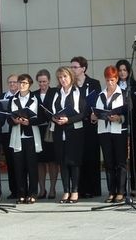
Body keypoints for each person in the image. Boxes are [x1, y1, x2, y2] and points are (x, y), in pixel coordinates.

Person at [91, 66, 128, 203]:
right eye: (107, 80)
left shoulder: (124, 93)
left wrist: (119, 118)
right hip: (104, 131)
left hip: (119, 131)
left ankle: (121, 191)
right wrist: (94, 118)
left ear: (117, 79)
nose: (110, 83)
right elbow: (96, 113)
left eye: (112, 80)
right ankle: (111, 191)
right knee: (108, 162)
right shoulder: (100, 95)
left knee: (120, 162)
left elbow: (129, 114)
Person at [50, 67, 86, 204]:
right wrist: (53, 118)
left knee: (74, 162)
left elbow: (83, 113)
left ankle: (75, 191)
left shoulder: (78, 92)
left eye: (65, 77)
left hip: (74, 131)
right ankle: (66, 191)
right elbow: (51, 111)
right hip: (59, 132)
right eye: (60, 77)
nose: (62, 80)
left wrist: (68, 120)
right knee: (62, 162)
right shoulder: (56, 93)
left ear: (71, 77)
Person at [70, 56, 102, 198]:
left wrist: (95, 115)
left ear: (83, 68)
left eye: (75, 67)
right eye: (71, 67)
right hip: (75, 125)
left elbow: (99, 102)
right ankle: (79, 189)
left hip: (90, 124)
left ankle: (93, 189)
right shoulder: (70, 85)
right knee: (78, 157)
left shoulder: (94, 83)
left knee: (91, 156)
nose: (72, 69)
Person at [8, 74, 41, 204]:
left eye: (25, 83)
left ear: (30, 85)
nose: (22, 85)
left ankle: (33, 193)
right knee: (19, 166)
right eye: (20, 83)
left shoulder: (35, 98)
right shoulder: (13, 99)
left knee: (32, 166)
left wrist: (30, 122)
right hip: (17, 135)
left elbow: (41, 117)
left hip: (31, 135)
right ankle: (21, 193)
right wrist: (14, 121)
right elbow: (8, 118)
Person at [115, 59, 136, 197]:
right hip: (117, 123)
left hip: (133, 123)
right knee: (120, 157)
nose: (122, 73)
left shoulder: (135, 85)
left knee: (132, 156)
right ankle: (120, 188)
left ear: (129, 71)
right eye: (120, 70)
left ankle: (134, 187)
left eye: (124, 70)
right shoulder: (113, 85)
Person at [33, 69, 59, 200]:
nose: (42, 84)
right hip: (38, 130)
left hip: (51, 130)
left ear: (49, 81)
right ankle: (42, 189)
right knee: (40, 161)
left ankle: (53, 188)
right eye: (40, 82)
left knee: (52, 160)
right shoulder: (34, 94)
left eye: (44, 81)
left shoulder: (55, 92)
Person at [0, 74, 19, 199]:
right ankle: (13, 190)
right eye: (10, 82)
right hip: (5, 132)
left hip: (17, 131)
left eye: (15, 82)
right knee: (10, 162)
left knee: (19, 162)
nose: (12, 84)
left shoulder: (21, 96)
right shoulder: (2, 97)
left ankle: (22, 189)